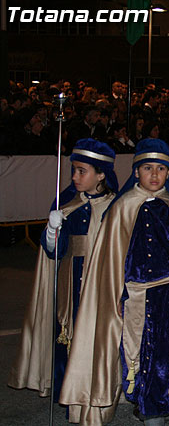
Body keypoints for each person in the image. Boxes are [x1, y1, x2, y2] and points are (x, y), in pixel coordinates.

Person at [59, 139, 169, 425]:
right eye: (147, 168)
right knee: (133, 347)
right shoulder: (122, 206)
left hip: (166, 290)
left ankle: (154, 406)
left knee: (164, 349)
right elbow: (110, 257)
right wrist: (115, 294)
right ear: (136, 171)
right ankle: (137, 393)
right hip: (132, 293)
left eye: (161, 169)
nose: (154, 175)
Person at [8, 139, 119, 411]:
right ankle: (66, 386)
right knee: (67, 331)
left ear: (101, 173)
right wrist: (51, 232)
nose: (75, 177)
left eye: (82, 171)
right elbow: (54, 252)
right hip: (72, 277)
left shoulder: (115, 206)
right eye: (74, 170)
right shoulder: (66, 201)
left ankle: (100, 387)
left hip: (102, 279)